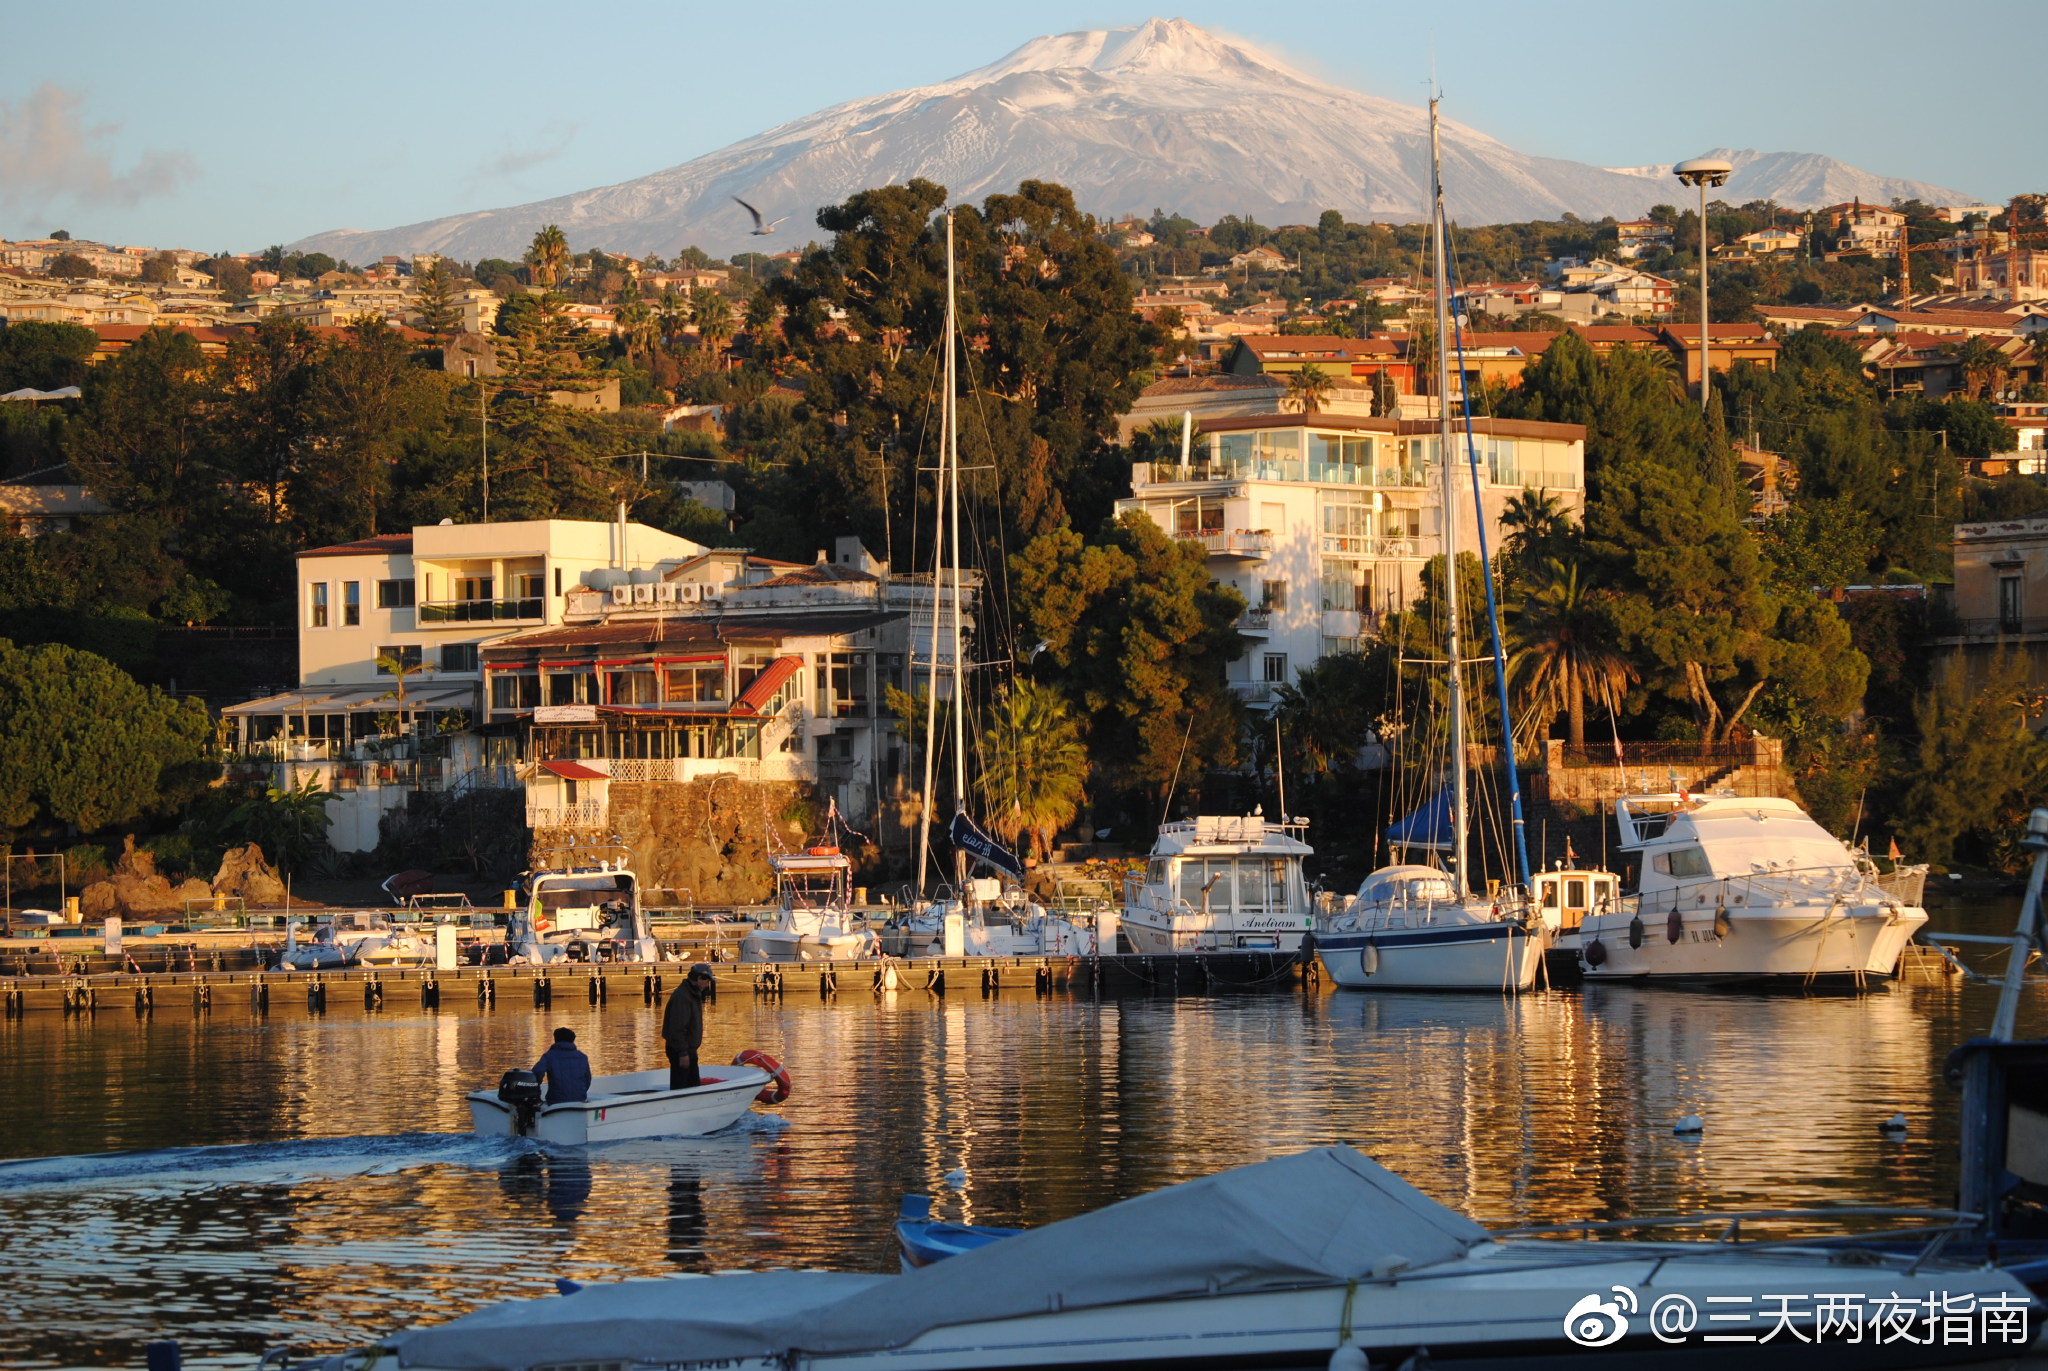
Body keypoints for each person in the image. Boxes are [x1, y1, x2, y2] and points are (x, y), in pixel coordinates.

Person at [661, 963, 715, 1089]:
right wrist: (683, 1053)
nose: (707, 984)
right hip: (681, 1050)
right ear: (699, 979)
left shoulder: (690, 994)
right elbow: (677, 1027)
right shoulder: (683, 997)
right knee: (683, 1086)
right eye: (707, 980)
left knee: (690, 1086)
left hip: (687, 1049)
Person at [532, 1026, 592, 1104]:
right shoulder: (582, 1057)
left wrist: (537, 1087)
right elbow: (587, 1079)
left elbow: (536, 1073)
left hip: (556, 1101)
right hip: (579, 1100)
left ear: (556, 1039)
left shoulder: (549, 1056)